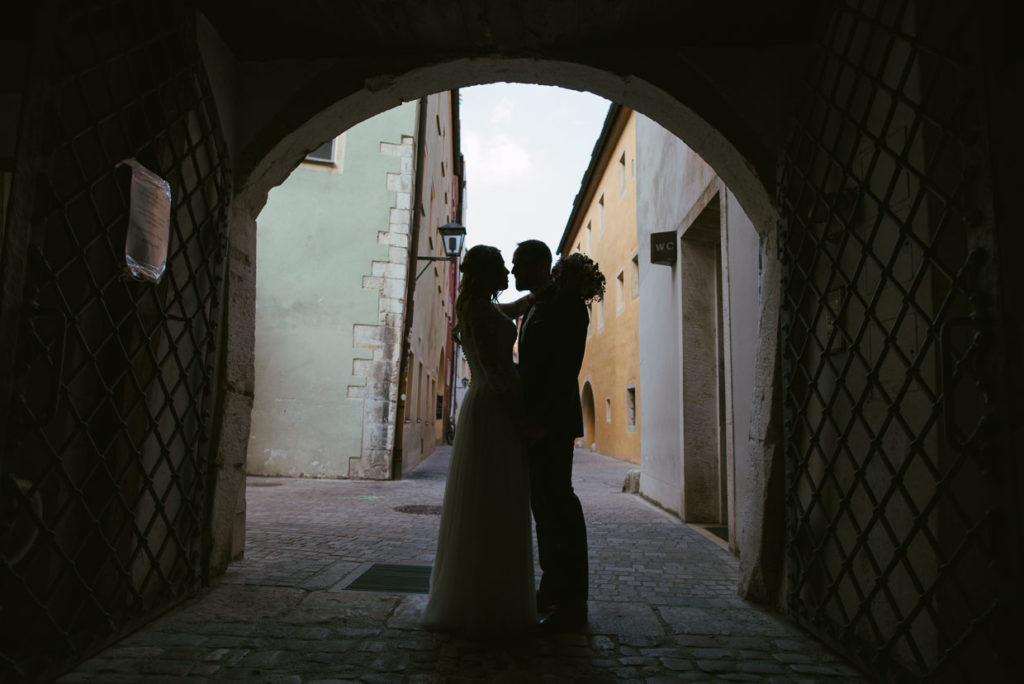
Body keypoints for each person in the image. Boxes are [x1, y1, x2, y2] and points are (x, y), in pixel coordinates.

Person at [420, 245, 536, 635]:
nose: (507, 271)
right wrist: (522, 421)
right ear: (488, 273)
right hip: (494, 410)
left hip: (481, 405)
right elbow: (497, 371)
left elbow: (512, 310)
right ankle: (492, 603)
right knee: (495, 498)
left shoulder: (479, 308)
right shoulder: (482, 312)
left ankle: (479, 595)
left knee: (487, 499)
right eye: (502, 266)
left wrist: (541, 292)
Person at [512, 240, 600, 632]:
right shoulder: (537, 304)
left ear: (540, 265)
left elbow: (563, 369)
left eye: (519, 265)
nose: (513, 272)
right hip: (536, 423)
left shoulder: (566, 306)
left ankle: (573, 601)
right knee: (544, 507)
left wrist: (541, 422)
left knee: (559, 506)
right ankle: (552, 588)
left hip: (551, 424)